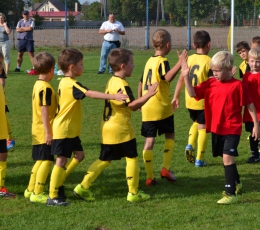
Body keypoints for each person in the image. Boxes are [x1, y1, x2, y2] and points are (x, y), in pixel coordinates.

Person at [73, 48, 158, 203]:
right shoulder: (121, 84)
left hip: (107, 127)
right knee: (132, 158)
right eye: (132, 63)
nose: (134, 66)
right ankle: (133, 193)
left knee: (104, 159)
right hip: (121, 128)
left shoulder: (112, 80)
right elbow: (131, 105)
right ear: (123, 66)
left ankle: (82, 187)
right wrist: (149, 94)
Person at [47, 48, 128, 206]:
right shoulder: (71, 84)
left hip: (70, 130)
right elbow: (90, 93)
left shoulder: (64, 81)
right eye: (81, 64)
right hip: (64, 130)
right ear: (72, 67)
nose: (83, 67)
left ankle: (59, 182)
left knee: (79, 156)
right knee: (61, 161)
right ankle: (53, 195)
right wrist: (114, 96)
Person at [182, 50, 259, 204]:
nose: (214, 73)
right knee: (225, 160)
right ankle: (237, 182)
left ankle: (230, 193)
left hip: (232, 128)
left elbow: (250, 104)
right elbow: (191, 93)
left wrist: (256, 125)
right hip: (217, 128)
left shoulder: (238, 85)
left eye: (217, 71)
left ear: (228, 69)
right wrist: (185, 76)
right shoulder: (210, 83)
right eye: (213, 70)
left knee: (227, 158)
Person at [138, 29, 187, 186]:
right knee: (170, 135)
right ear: (168, 45)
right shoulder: (162, 61)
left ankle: (150, 176)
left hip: (147, 105)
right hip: (161, 105)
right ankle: (165, 168)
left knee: (149, 140)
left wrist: (140, 100)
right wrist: (180, 62)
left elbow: (140, 82)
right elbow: (168, 77)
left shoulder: (149, 62)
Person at [172, 30, 212, 167]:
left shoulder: (188, 59)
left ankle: (190, 144)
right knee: (203, 127)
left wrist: (176, 96)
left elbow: (180, 80)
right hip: (202, 100)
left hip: (189, 100)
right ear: (209, 45)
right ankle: (199, 159)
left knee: (195, 122)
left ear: (194, 45)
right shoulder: (210, 61)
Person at [24, 52, 57, 204]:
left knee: (39, 159)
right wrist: (48, 132)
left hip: (36, 129)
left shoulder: (37, 84)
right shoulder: (45, 88)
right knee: (47, 160)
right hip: (44, 130)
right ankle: (38, 192)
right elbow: (44, 109)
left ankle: (30, 189)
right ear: (51, 68)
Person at [242, 47, 260, 163]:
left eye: (258, 61)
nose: (255, 64)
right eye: (252, 61)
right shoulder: (246, 76)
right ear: (248, 61)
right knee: (252, 132)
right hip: (250, 111)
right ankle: (254, 154)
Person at [0, 65, 15, 198]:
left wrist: (8, 132)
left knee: (3, 155)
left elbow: (3, 112)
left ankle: (0, 187)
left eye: (1, 63)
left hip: (1, 130)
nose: (0, 67)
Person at [0, 53, 15, 150]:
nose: (1, 67)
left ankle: (9, 139)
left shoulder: (0, 70)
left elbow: (2, 83)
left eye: (1, 63)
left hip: (2, 101)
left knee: (4, 119)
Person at [15, 10, 36, 75]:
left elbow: (30, 29)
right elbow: (17, 29)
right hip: (21, 40)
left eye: (27, 14)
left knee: (31, 54)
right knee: (20, 54)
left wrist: (22, 28)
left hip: (29, 40)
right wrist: (26, 28)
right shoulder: (20, 21)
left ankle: (34, 68)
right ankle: (18, 67)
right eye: (24, 14)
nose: (26, 15)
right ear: (22, 15)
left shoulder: (32, 21)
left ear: (28, 15)